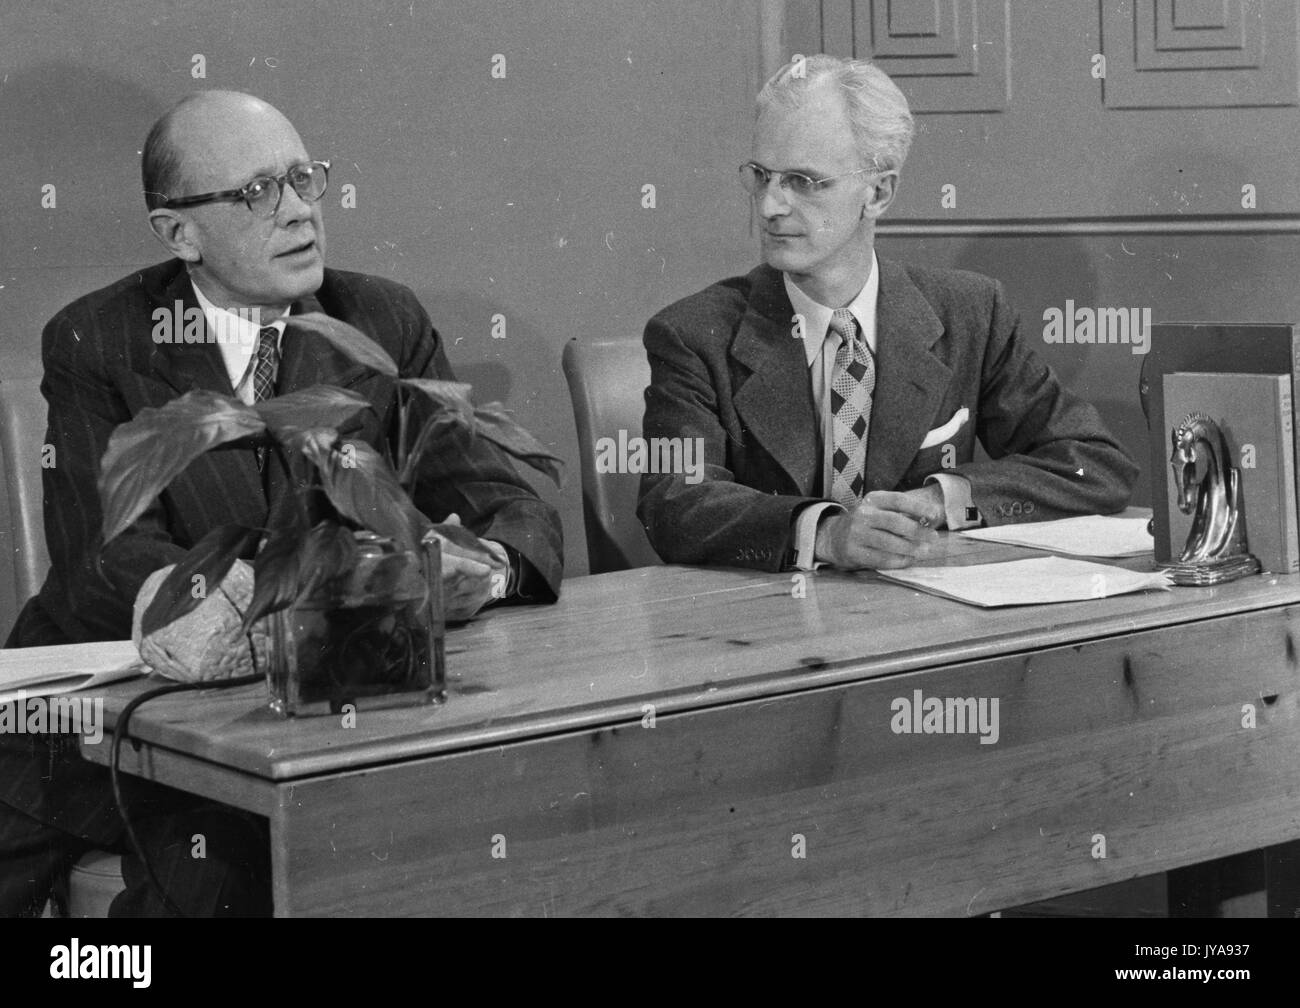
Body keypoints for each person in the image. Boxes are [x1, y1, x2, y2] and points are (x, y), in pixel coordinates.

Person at [0, 90, 563, 916]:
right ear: (178, 231)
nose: (300, 211)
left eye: (305, 179)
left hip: (310, 715)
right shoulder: (100, 337)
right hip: (113, 709)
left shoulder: (376, 317)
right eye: (258, 193)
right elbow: (106, 557)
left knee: (231, 870)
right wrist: (284, 605)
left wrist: (493, 568)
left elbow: (498, 497)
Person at [638, 55, 1138, 573]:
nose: (769, 206)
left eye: (804, 182)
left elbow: (1094, 464)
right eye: (761, 176)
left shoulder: (970, 312)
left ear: (878, 193)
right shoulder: (694, 333)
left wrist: (946, 499)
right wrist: (827, 533)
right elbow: (672, 501)